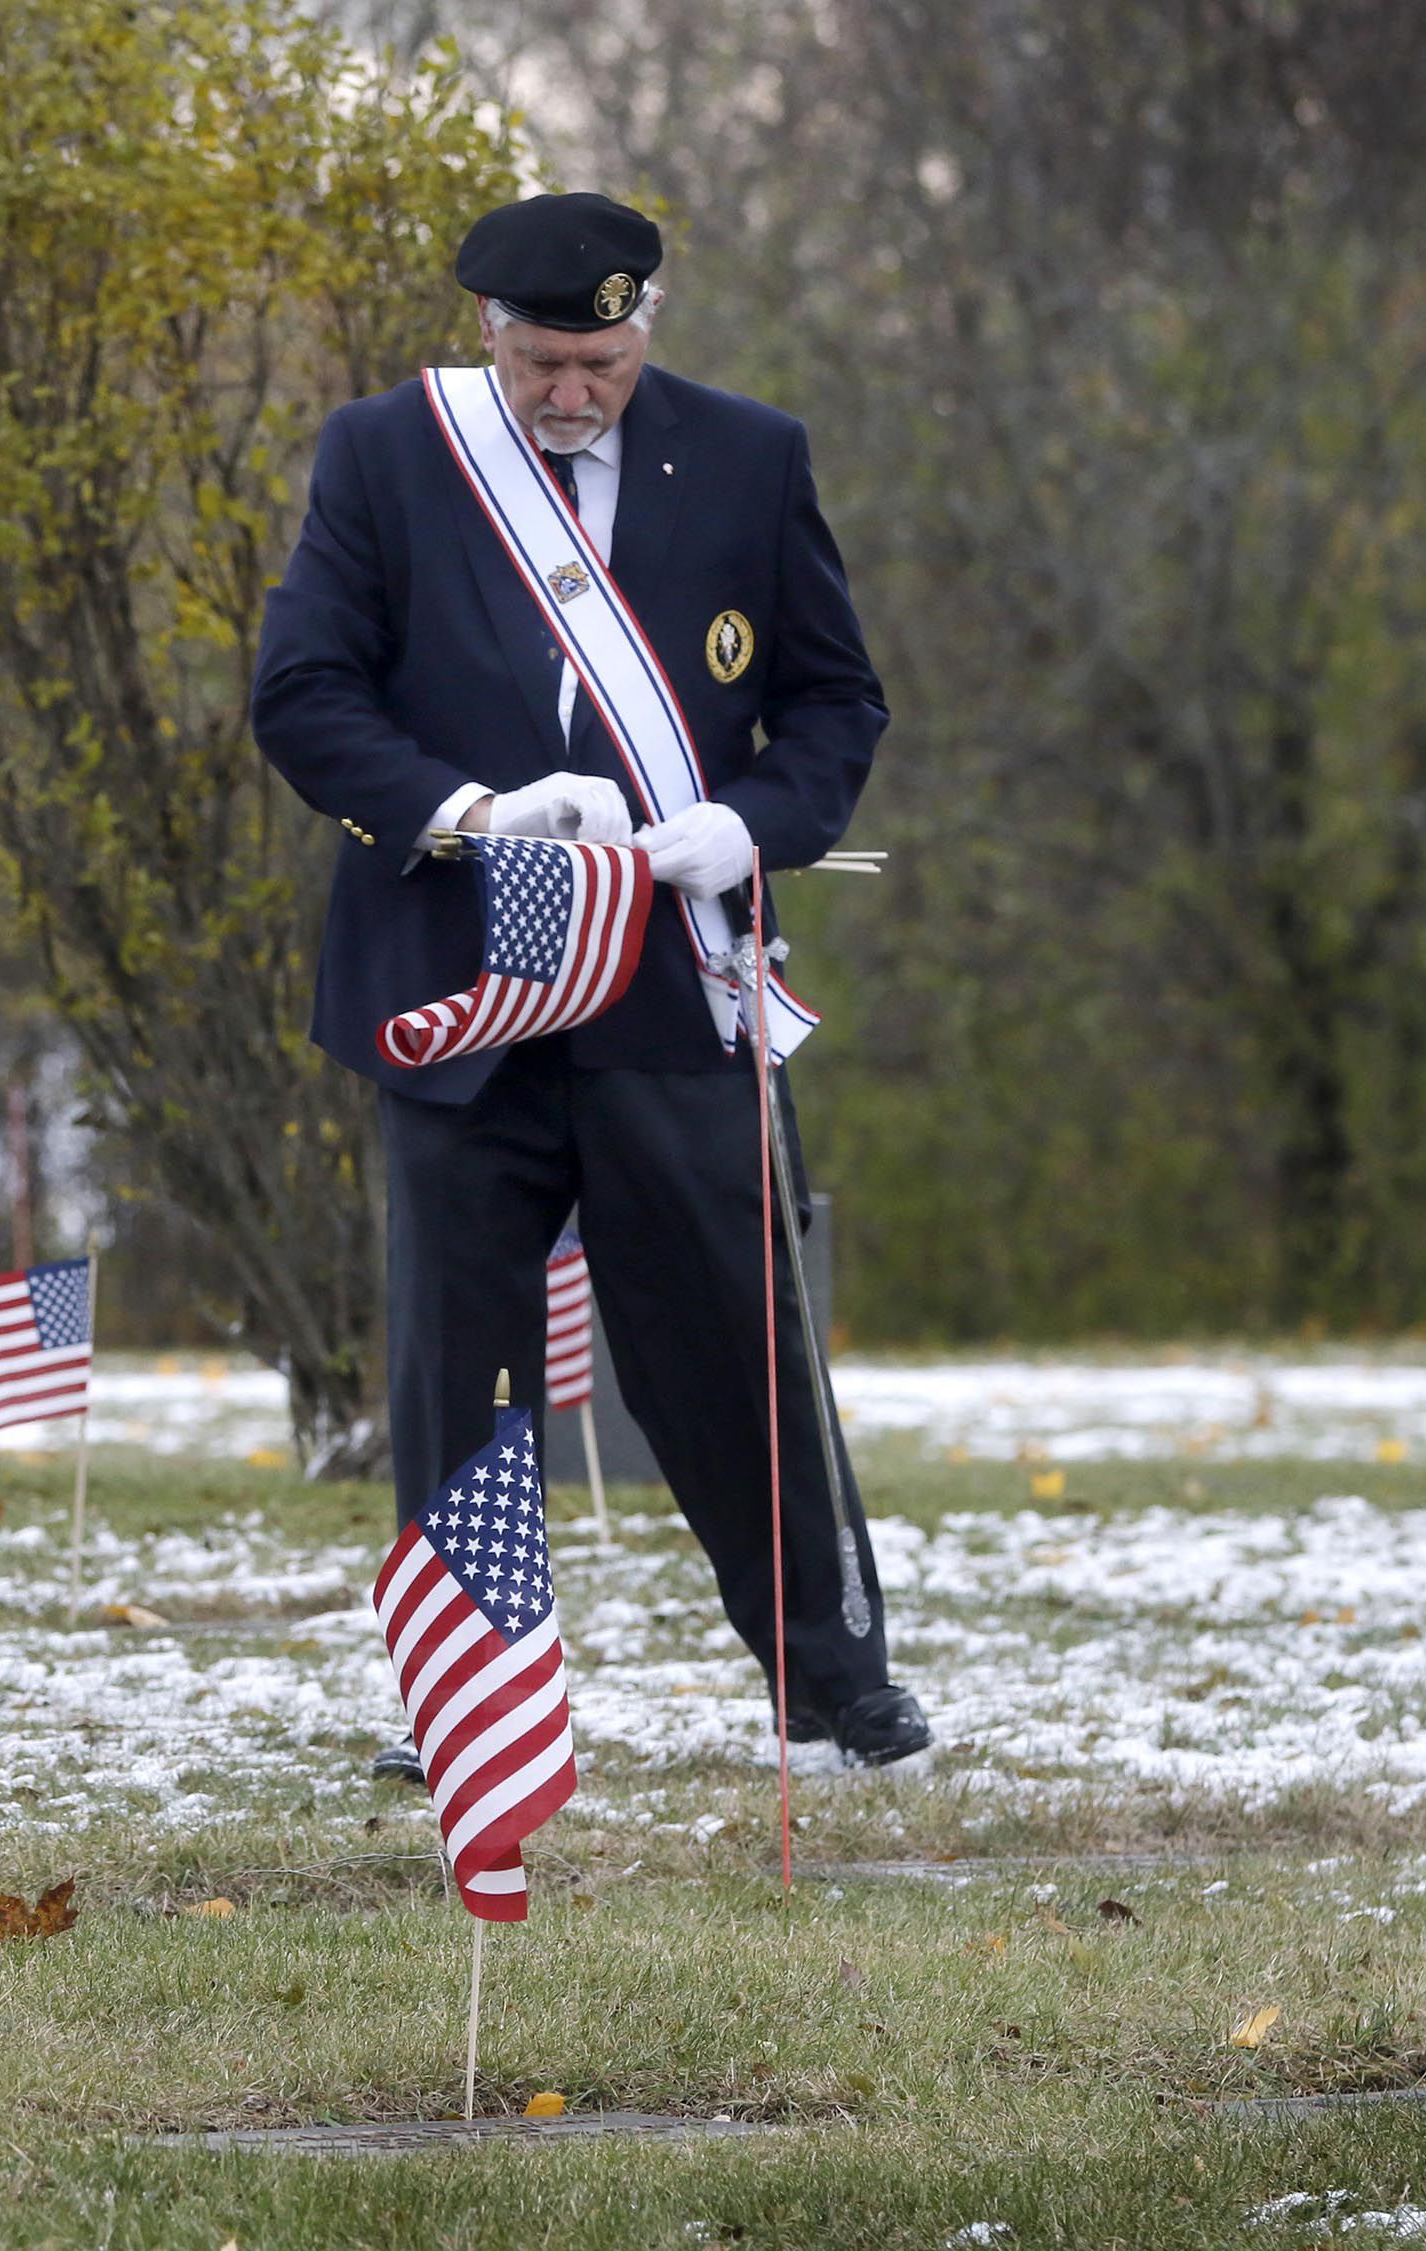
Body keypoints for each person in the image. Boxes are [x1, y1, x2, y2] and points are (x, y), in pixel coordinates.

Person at [252, 190, 929, 1775]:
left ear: (651, 331)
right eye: (545, 363)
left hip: (670, 985)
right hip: (461, 989)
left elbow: (837, 703)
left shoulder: (753, 455)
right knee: (461, 1373)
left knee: (731, 1355)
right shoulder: (388, 454)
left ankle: (834, 1686)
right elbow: (303, 693)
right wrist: (470, 813)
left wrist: (742, 827)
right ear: (488, 335)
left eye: (602, 364)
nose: (572, 395)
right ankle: (466, 1711)